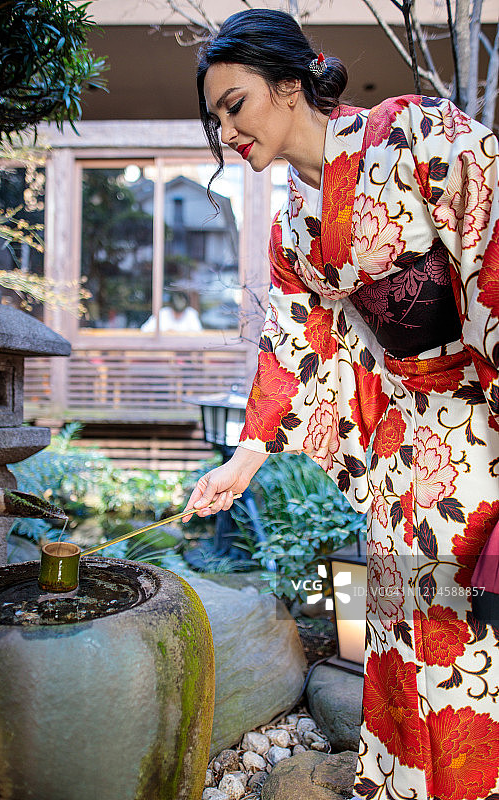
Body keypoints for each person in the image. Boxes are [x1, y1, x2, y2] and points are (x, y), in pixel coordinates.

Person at [184, 8, 499, 800]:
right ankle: (405, 785)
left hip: (476, 428)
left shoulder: (412, 134)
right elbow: (295, 343)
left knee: (473, 628)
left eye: (235, 104)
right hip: (403, 449)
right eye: (214, 116)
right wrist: (243, 459)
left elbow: (489, 242)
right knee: (399, 632)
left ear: (290, 86)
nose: (227, 131)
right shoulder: (292, 224)